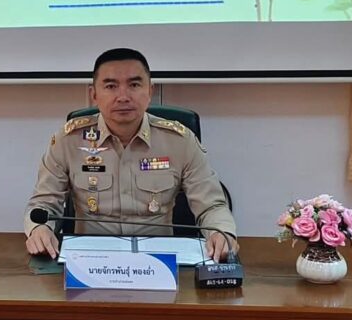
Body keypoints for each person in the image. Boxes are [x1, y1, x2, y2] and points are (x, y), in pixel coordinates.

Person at [24, 48, 237, 261]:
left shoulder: (180, 142)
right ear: (94, 95)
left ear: (150, 91)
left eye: (134, 85)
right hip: (90, 262)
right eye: (111, 86)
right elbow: (43, 204)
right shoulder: (68, 141)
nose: (123, 97)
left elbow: (211, 206)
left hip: (159, 262)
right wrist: (40, 229)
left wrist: (221, 232)